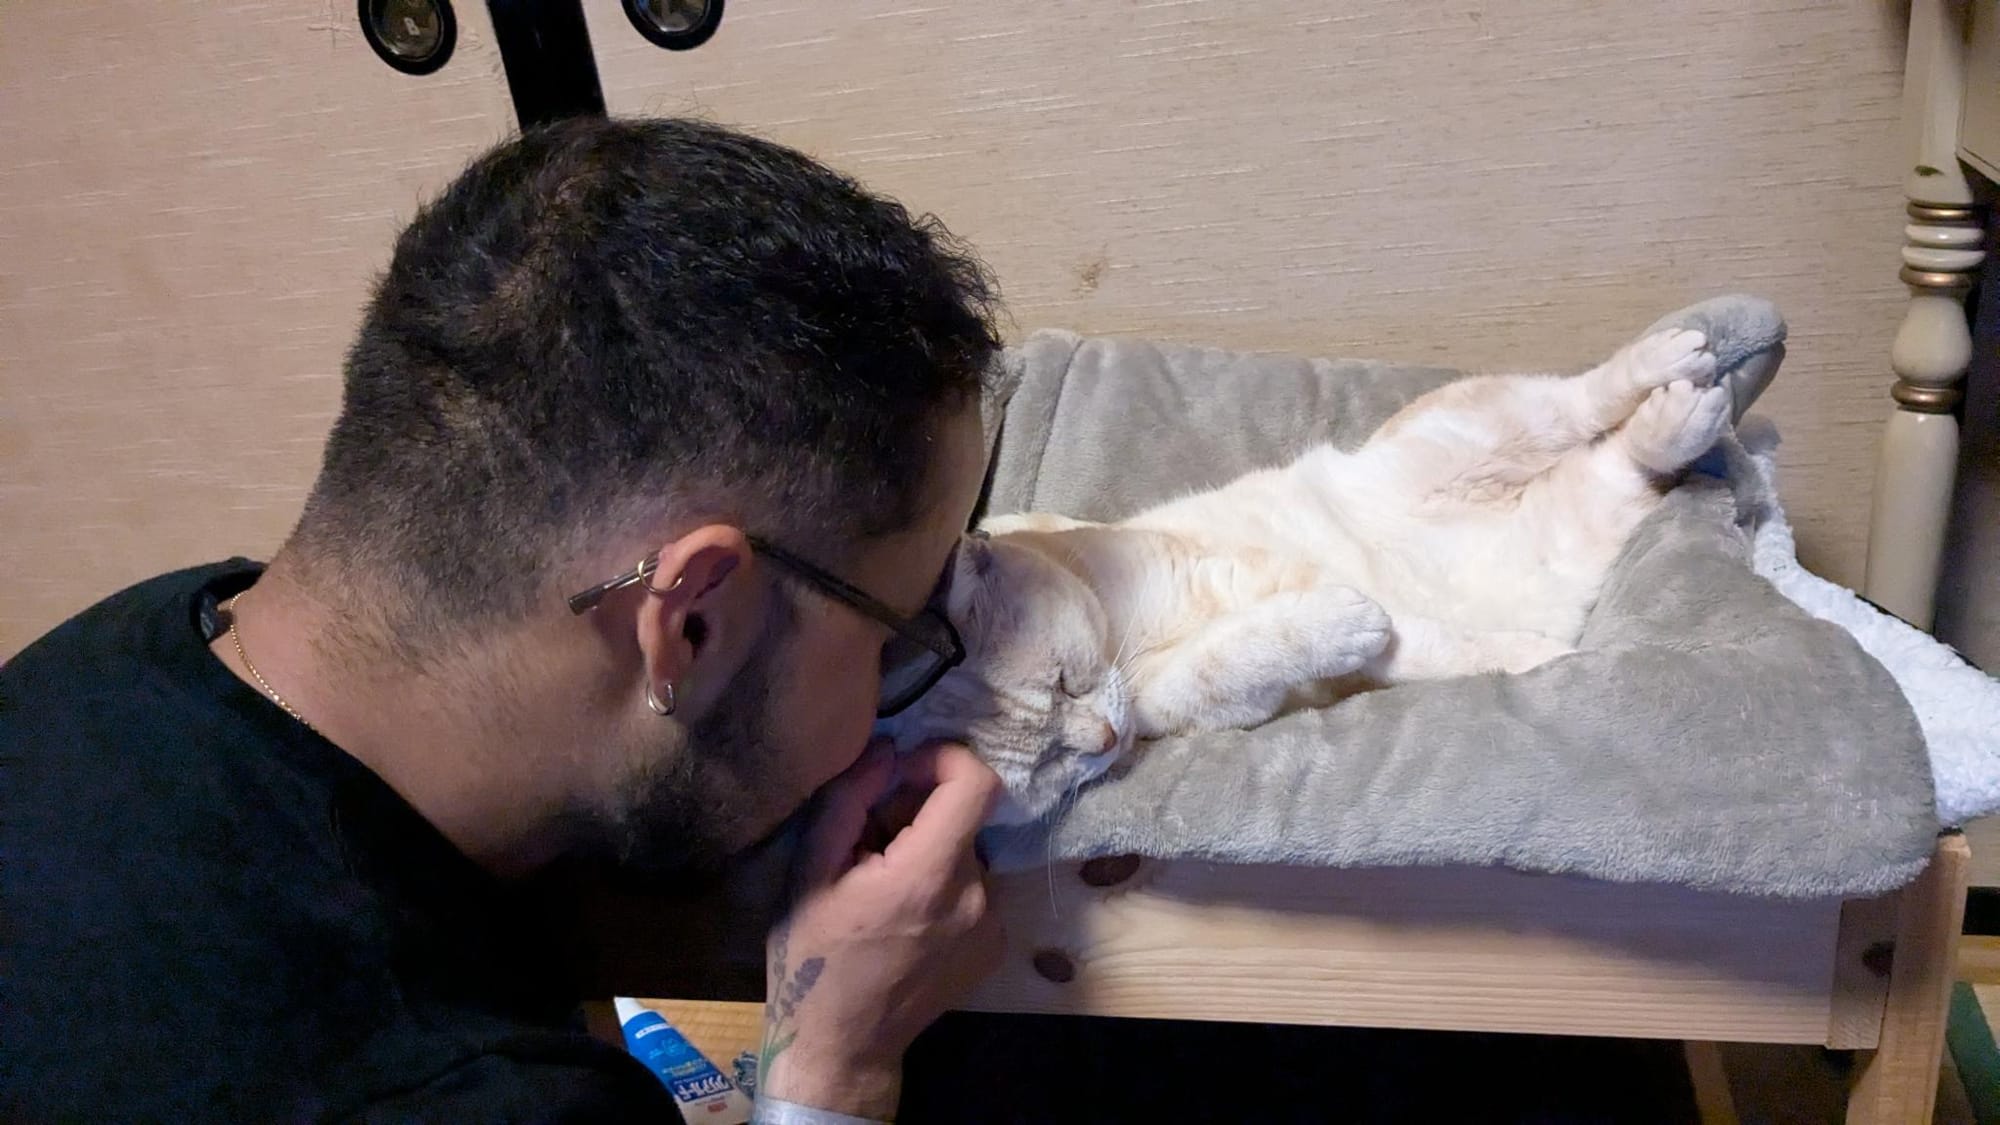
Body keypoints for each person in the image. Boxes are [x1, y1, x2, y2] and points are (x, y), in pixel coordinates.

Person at [2, 116, 1008, 1122]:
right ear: (691, 624)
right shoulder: (466, 1092)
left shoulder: (131, 645)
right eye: (899, 631)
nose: (892, 683)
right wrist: (832, 1070)